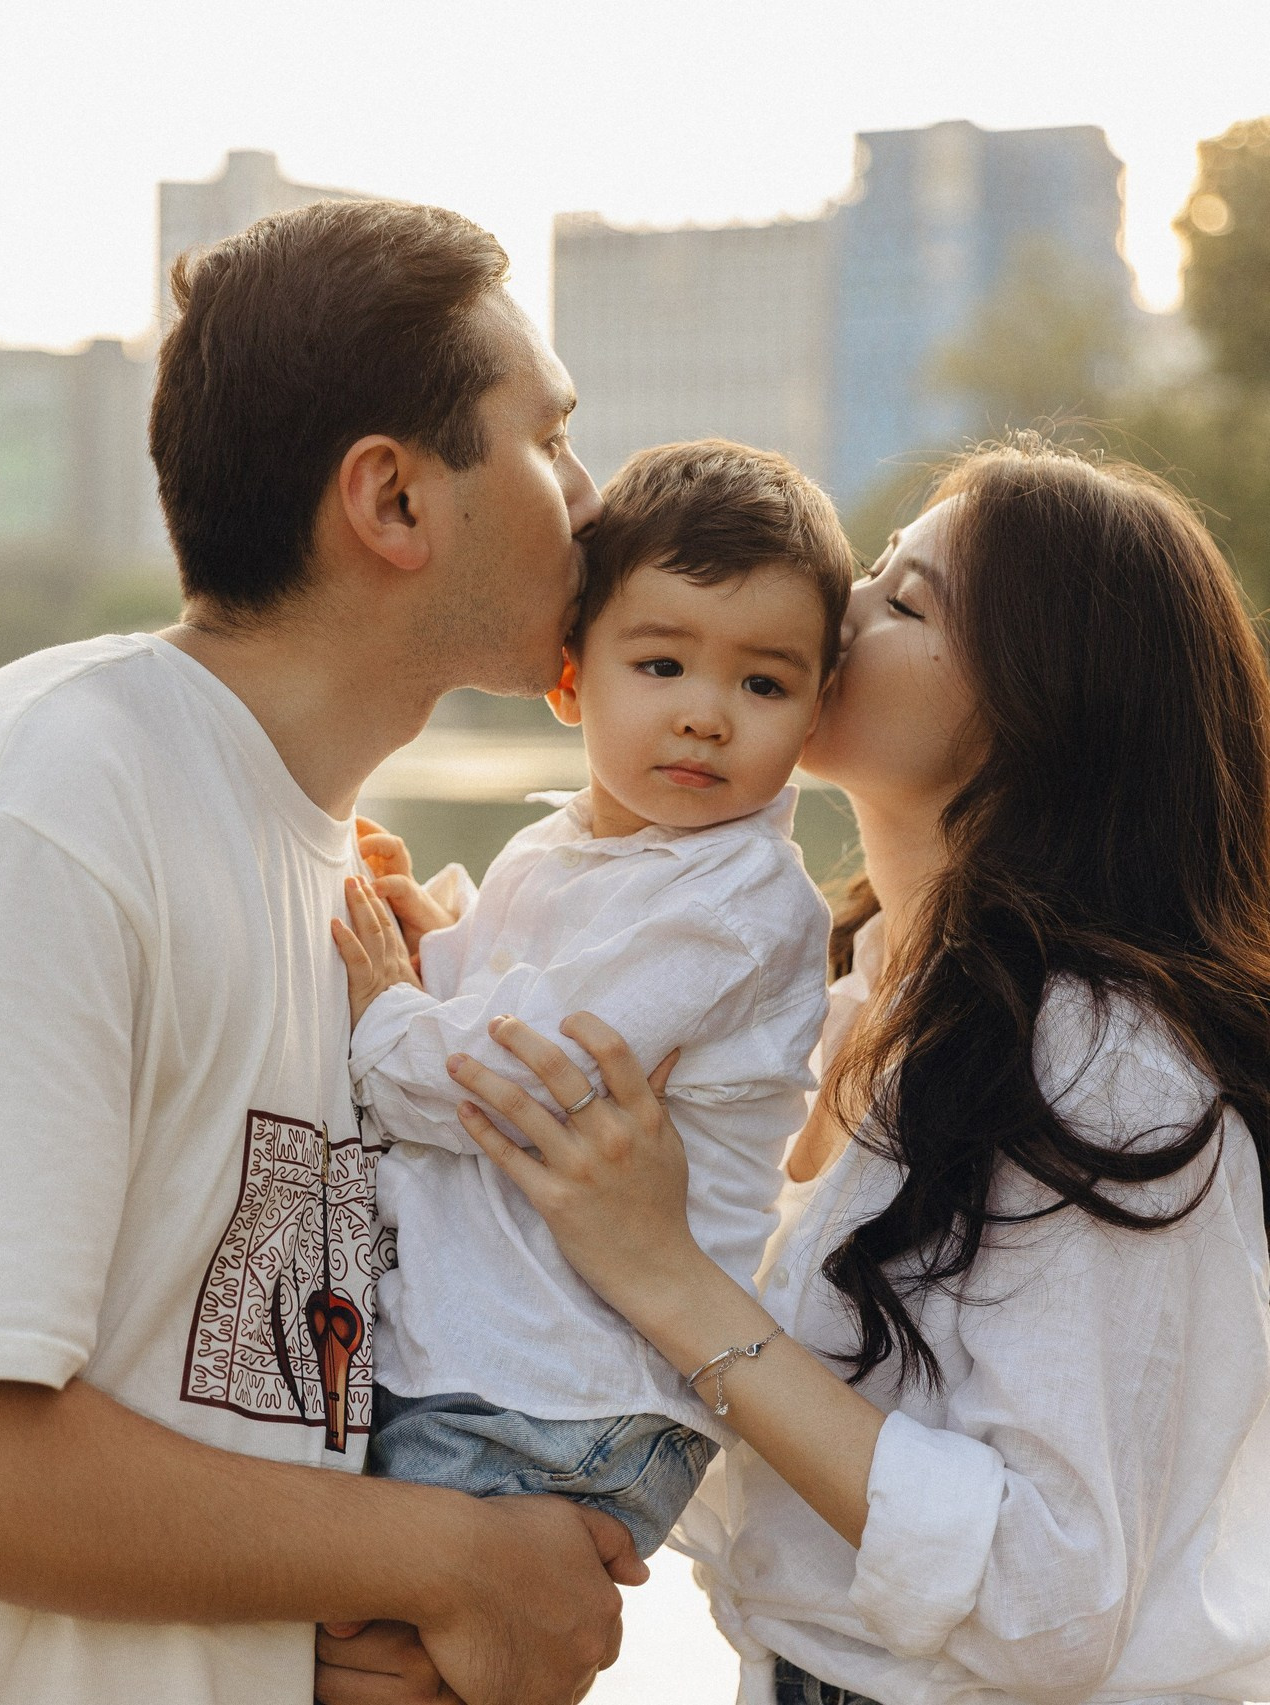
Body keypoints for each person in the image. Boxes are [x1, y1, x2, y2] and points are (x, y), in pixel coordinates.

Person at [446, 439, 1270, 1705]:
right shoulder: (851, 998)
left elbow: (1049, 1598)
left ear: (1037, 697)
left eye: (905, 598)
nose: (839, 610)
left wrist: (665, 1274)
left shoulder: (1097, 1060)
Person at [0, 198, 647, 1705]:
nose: (592, 495)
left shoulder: (343, 893)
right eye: (549, 437)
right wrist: (445, 1562)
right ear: (394, 502)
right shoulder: (62, 807)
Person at [331, 440, 850, 1558]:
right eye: (660, 665)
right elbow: (526, 989)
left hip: (556, 1395)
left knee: (386, 1635)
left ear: (812, 714)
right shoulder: (572, 842)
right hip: (500, 1360)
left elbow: (508, 1085)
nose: (707, 714)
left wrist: (384, 1005)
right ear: (571, 676)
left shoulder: (732, 902)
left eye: (762, 683)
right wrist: (434, 944)